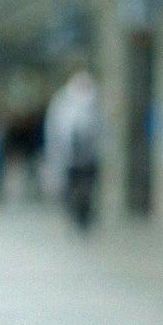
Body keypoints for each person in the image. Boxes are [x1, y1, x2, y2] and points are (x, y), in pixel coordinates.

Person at [44, 67, 102, 230]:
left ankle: (84, 217)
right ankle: (73, 216)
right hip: (68, 157)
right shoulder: (62, 102)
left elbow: (100, 130)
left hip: (89, 157)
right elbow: (55, 130)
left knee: (86, 189)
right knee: (70, 189)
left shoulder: (94, 103)